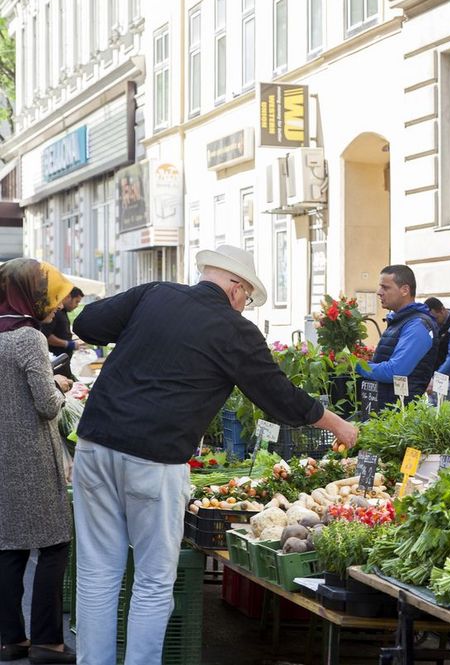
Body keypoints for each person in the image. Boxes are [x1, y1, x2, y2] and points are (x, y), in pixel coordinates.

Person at [71, 245, 357, 665]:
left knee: (97, 575)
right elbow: (279, 397)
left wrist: (143, 329)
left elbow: (90, 322)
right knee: (152, 581)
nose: (243, 307)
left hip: (95, 446)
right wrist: (339, 425)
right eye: (246, 298)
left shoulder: (155, 293)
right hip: (155, 460)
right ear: (235, 286)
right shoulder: (233, 330)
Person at [0, 259, 76, 665]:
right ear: (31, 294)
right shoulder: (28, 338)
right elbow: (47, 405)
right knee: (54, 545)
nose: (54, 304)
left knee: (8, 548)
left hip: (1, 456)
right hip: (31, 456)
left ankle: (11, 640)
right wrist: (59, 386)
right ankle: (49, 642)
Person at [355, 265, 438, 413]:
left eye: (385, 287)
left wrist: (356, 365)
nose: (379, 292)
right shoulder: (400, 321)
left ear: (405, 290)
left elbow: (395, 371)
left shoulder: (417, 325)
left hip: (399, 418)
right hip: (386, 412)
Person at [41, 287, 84, 380]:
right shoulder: (55, 313)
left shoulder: (63, 312)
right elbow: (46, 335)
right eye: (76, 301)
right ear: (68, 297)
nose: (77, 305)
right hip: (56, 361)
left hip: (64, 361)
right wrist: (67, 344)